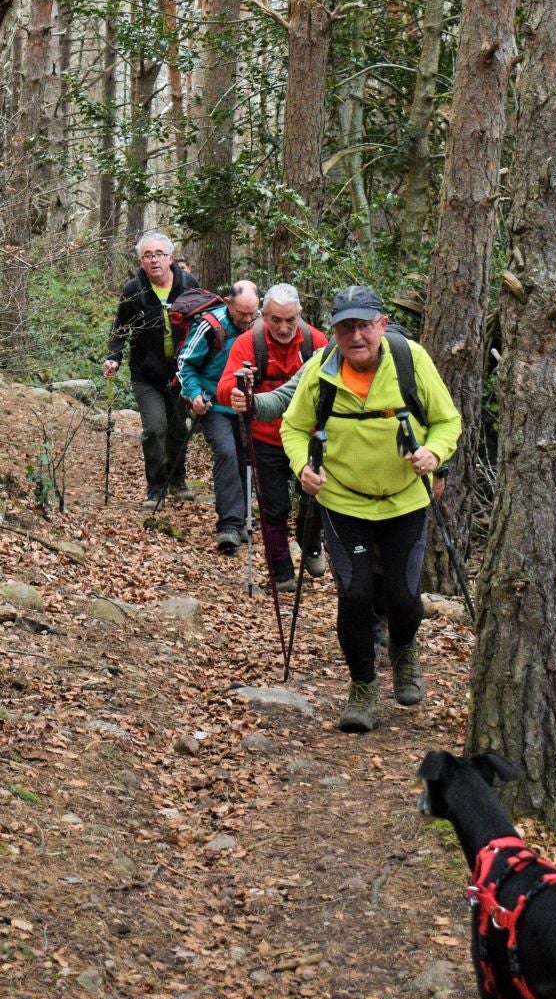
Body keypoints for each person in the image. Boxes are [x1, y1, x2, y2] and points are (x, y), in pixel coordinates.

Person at [276, 285, 460, 733]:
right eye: (345, 328)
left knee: (402, 597)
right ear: (333, 332)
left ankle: (403, 651)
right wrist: (303, 467)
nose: (355, 336)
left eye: (363, 325)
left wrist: (434, 454)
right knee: (355, 597)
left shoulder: (410, 360)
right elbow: (293, 428)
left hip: (405, 500)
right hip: (342, 500)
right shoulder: (321, 369)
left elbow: (447, 420)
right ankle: (362, 687)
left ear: (382, 324)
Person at [221, 283, 326, 586]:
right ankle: (281, 572)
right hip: (265, 438)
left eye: (290, 320)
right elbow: (224, 387)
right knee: (274, 507)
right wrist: (240, 390)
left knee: (315, 498)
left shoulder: (316, 342)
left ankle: (311, 543)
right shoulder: (247, 344)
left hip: (309, 437)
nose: (283, 328)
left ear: (300, 315)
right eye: (275, 320)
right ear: (263, 315)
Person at [104, 232, 198, 510]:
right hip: (146, 373)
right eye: (148, 255)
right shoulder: (134, 290)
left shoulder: (187, 284)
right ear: (141, 261)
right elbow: (120, 328)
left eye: (159, 254)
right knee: (155, 428)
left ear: (170, 257)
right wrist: (113, 357)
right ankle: (156, 486)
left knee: (179, 429)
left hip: (181, 372)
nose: (154, 259)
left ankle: (178, 480)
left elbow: (204, 319)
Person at [176, 280, 260, 552]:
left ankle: (245, 516)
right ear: (228, 303)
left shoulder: (261, 327)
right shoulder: (211, 326)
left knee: (248, 458)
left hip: (249, 405)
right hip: (214, 404)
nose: (247, 320)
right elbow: (186, 364)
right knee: (226, 453)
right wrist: (194, 394)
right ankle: (230, 526)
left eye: (253, 313)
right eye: (242, 314)